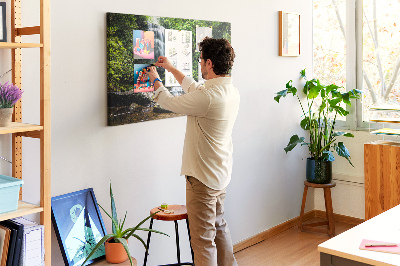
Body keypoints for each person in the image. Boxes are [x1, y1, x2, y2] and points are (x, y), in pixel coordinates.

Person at [144, 37, 239, 266]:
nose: (199, 65)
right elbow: (194, 87)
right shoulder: (229, 92)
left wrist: (155, 79)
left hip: (202, 179)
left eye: (200, 61)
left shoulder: (207, 98)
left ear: (209, 63)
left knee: (203, 241)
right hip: (219, 175)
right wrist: (170, 68)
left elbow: (169, 102)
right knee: (219, 229)